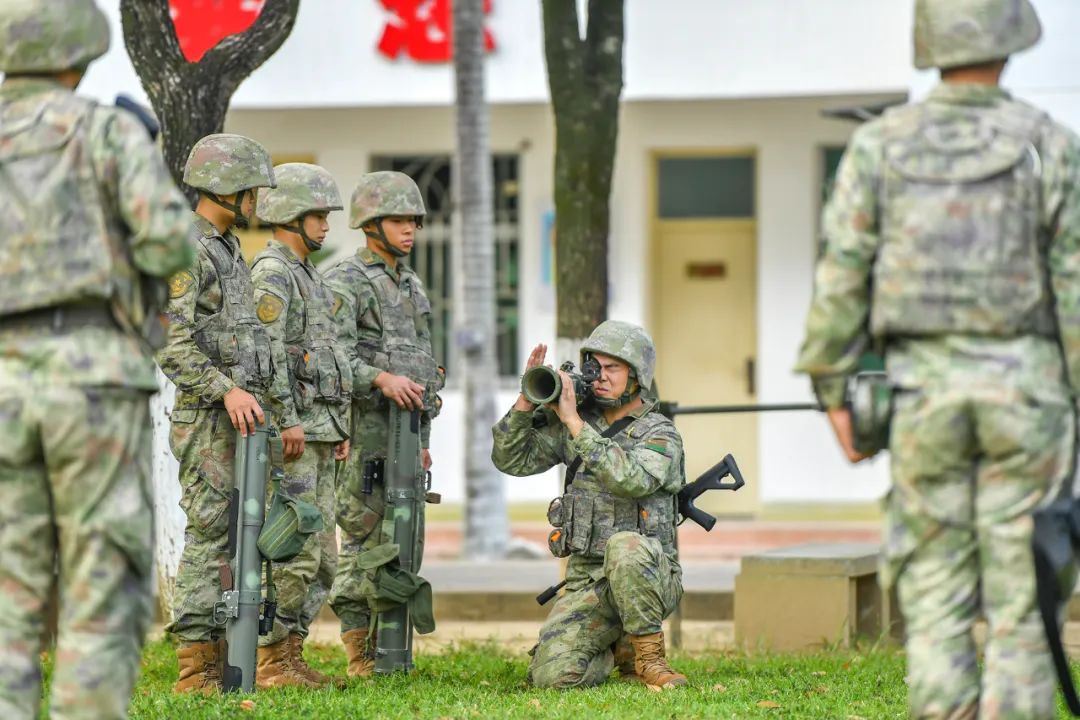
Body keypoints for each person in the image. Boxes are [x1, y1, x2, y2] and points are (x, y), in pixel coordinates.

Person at [794, 0, 1080, 716]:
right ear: (1012, 40)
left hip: (921, 395)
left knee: (934, 595)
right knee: (1025, 599)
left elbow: (842, 271)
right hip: (1028, 395)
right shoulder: (1050, 143)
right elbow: (1075, 287)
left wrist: (832, 388)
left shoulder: (879, 146)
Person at [0, 1, 194, 717]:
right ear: (79, 48)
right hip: (91, 379)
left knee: (9, 589)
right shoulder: (105, 131)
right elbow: (169, 244)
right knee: (100, 581)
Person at [491, 321, 687, 690]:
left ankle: (649, 659)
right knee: (554, 678)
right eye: (595, 366)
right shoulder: (579, 423)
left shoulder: (660, 433)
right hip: (589, 581)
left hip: (650, 576)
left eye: (613, 368)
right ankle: (616, 645)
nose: (600, 376)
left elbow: (630, 480)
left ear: (637, 375)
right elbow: (511, 460)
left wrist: (573, 422)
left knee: (626, 546)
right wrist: (526, 402)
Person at [157, 133, 285, 694]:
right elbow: (168, 340)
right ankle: (196, 668)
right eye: (251, 189)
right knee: (211, 537)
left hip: (239, 421)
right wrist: (225, 390)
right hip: (208, 420)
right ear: (226, 187)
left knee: (237, 536)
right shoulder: (186, 247)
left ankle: (224, 658)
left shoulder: (227, 249)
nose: (257, 200)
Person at [324, 170, 444, 677]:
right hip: (363, 432)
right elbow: (333, 358)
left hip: (406, 435)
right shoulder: (346, 280)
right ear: (370, 224)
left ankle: (391, 646)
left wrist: (423, 439)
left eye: (413, 220)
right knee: (361, 536)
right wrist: (379, 378)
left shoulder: (412, 285)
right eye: (397, 221)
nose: (409, 229)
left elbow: (423, 366)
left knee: (402, 536)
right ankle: (360, 651)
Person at [250, 163, 352, 688]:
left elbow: (326, 355)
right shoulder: (272, 272)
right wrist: (287, 419)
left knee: (324, 557)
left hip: (321, 432)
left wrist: (339, 426)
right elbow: (267, 353)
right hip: (294, 436)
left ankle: (292, 651)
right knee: (294, 549)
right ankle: (272, 659)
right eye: (318, 215)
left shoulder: (308, 273)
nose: (326, 225)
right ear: (290, 215)